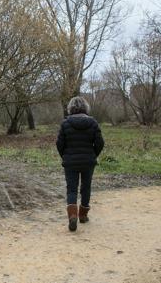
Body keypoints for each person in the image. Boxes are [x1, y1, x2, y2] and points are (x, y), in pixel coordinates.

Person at [56, 96, 104, 232]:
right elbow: (100, 143)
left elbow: (59, 143)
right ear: (85, 107)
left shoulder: (65, 123)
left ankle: (72, 215)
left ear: (70, 108)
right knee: (86, 187)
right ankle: (83, 216)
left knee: (71, 189)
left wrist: (65, 156)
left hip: (70, 162)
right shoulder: (93, 122)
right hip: (88, 161)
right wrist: (93, 155)